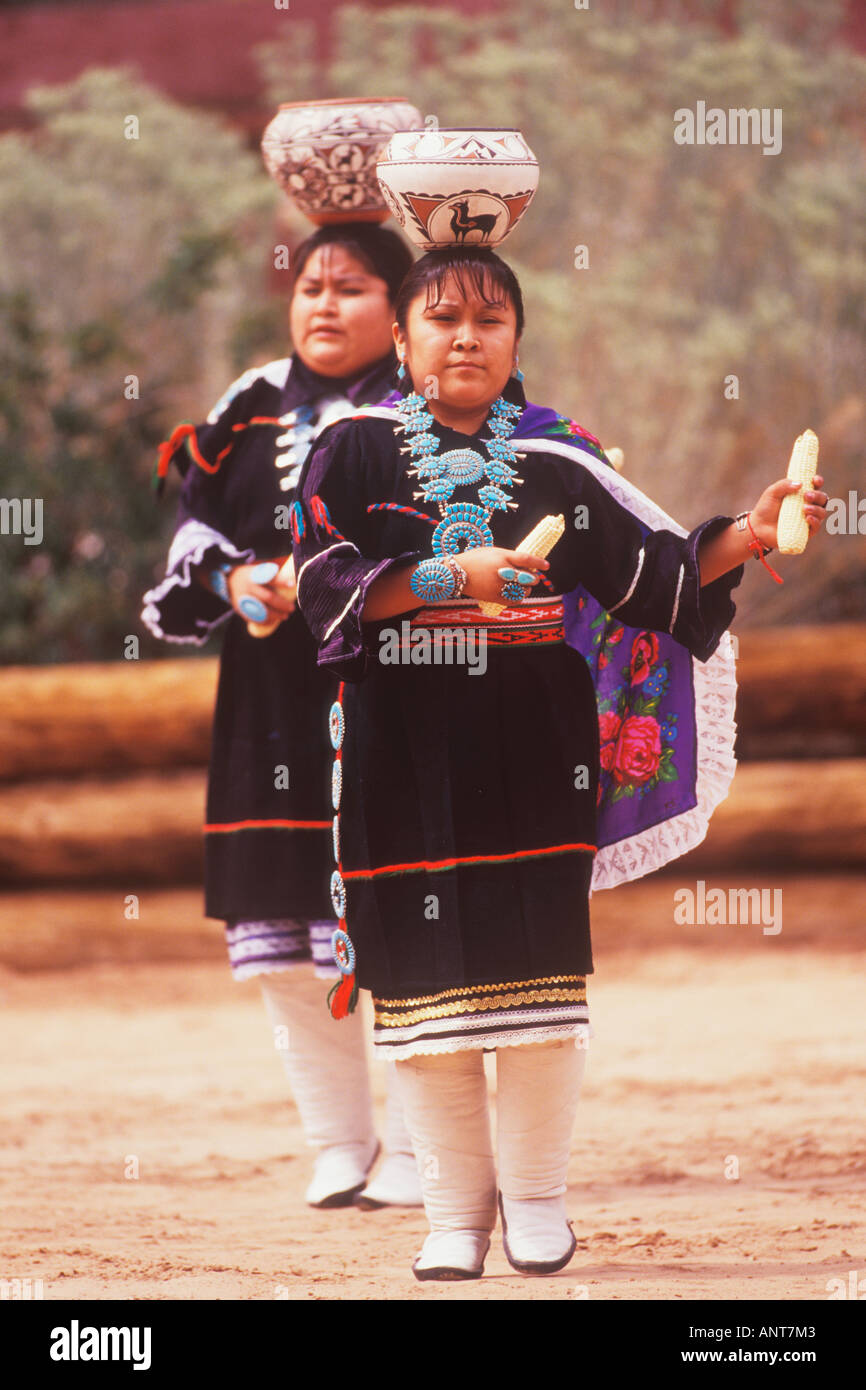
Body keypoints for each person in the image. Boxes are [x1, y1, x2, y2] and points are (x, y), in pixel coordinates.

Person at [291, 245, 828, 1278]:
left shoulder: (558, 467)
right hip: (398, 744)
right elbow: (322, 581)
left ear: (515, 344)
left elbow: (660, 576)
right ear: (399, 342)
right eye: (440, 319)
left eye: (489, 321)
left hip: (531, 745)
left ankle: (537, 1204)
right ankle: (450, 1217)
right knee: (421, 998)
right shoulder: (348, 454)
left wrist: (748, 534)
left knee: (536, 988)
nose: (464, 337)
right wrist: (451, 572)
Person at [141, 223, 424, 1211]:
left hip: (402, 697)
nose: (323, 305)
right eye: (309, 287)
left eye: (351, 288)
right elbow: (191, 531)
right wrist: (236, 575)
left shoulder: (427, 402)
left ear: (399, 308)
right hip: (269, 707)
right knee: (292, 944)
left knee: (402, 923)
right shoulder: (250, 407)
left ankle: (424, 1148)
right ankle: (339, 1142)